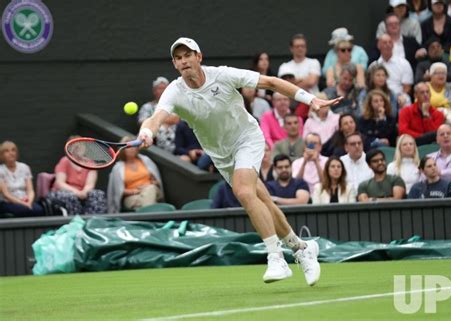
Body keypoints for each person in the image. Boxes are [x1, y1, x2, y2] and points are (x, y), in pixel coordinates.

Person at [138, 37, 343, 285]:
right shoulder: (174, 91)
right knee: (262, 199)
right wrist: (148, 131)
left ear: (199, 57)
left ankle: (275, 256)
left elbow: (269, 82)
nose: (184, 61)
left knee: (244, 192)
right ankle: (301, 248)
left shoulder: (223, 75)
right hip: (221, 154)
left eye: (188, 55)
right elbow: (157, 117)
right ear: (175, 64)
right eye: (178, 58)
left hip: (247, 138)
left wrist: (311, 99)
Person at [48, 137, 107, 215]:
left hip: (83, 192)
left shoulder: (90, 163)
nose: (79, 147)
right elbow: (60, 183)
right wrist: (76, 192)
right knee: (70, 197)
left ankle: (92, 220)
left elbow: (90, 184)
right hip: (65, 192)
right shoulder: (65, 161)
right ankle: (75, 222)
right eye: (75, 144)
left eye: (81, 144)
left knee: (98, 194)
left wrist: (84, 192)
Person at [107, 136, 164, 213]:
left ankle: (148, 217)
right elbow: (118, 190)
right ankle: (151, 214)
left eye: (134, 147)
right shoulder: (118, 168)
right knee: (146, 200)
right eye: (129, 148)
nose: (132, 149)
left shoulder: (146, 160)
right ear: (123, 150)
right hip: (132, 197)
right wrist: (136, 191)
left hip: (151, 190)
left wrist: (150, 184)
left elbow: (157, 181)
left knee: (150, 190)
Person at [0, 141, 44, 217]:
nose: (11, 153)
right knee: (22, 210)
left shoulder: (24, 167)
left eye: (13, 150)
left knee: (39, 210)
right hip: (8, 202)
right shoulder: (1, 171)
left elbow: (30, 190)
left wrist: (29, 202)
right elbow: (6, 194)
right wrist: (23, 204)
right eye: (7, 151)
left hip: (25, 200)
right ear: (2, 155)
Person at [371, 34, 414, 99]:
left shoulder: (404, 63)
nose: (388, 45)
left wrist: (401, 97)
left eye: (390, 42)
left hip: (399, 97)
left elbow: (407, 87)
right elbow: (370, 86)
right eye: (385, 43)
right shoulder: (373, 66)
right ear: (379, 46)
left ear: (393, 45)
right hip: (379, 97)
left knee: (406, 99)